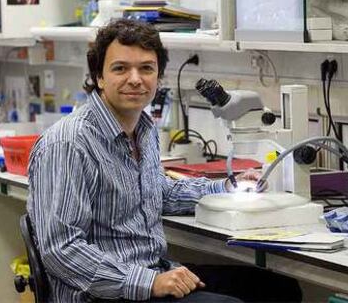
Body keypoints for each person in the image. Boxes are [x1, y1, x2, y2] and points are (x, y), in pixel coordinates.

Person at [27, 19, 302, 302]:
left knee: (279, 289)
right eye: (120, 68)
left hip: (152, 270)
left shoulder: (143, 130)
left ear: (158, 77)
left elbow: (158, 193)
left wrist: (226, 187)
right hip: (103, 294)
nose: (135, 79)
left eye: (146, 68)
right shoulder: (68, 144)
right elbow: (61, 249)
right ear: (99, 77)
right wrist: (150, 282)